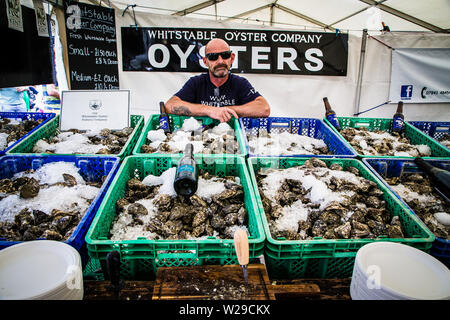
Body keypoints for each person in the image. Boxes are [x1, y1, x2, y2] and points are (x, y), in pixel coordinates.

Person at [165, 38, 270, 123]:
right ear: (205, 62)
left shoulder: (240, 83)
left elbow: (264, 108)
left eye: (225, 55)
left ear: (232, 58)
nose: (220, 61)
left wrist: (226, 110)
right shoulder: (196, 83)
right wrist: (210, 110)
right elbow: (170, 106)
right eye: (213, 57)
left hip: (232, 141)